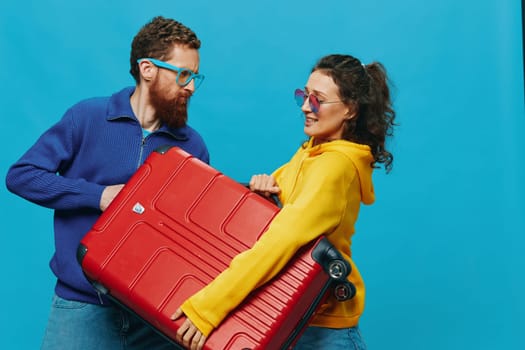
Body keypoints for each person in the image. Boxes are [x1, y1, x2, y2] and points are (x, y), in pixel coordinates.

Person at [5, 16, 209, 349]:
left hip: (156, 318)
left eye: (195, 77)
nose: (190, 87)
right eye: (184, 74)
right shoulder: (87, 117)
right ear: (148, 69)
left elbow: (194, 234)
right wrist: (97, 196)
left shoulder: (192, 146)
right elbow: (21, 176)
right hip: (81, 308)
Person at [171, 53, 396, 350]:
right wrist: (265, 193)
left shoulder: (334, 166)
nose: (306, 106)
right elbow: (286, 200)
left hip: (324, 333)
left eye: (317, 100)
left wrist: (208, 308)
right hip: (296, 319)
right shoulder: (313, 152)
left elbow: (278, 244)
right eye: (304, 95)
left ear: (350, 109)